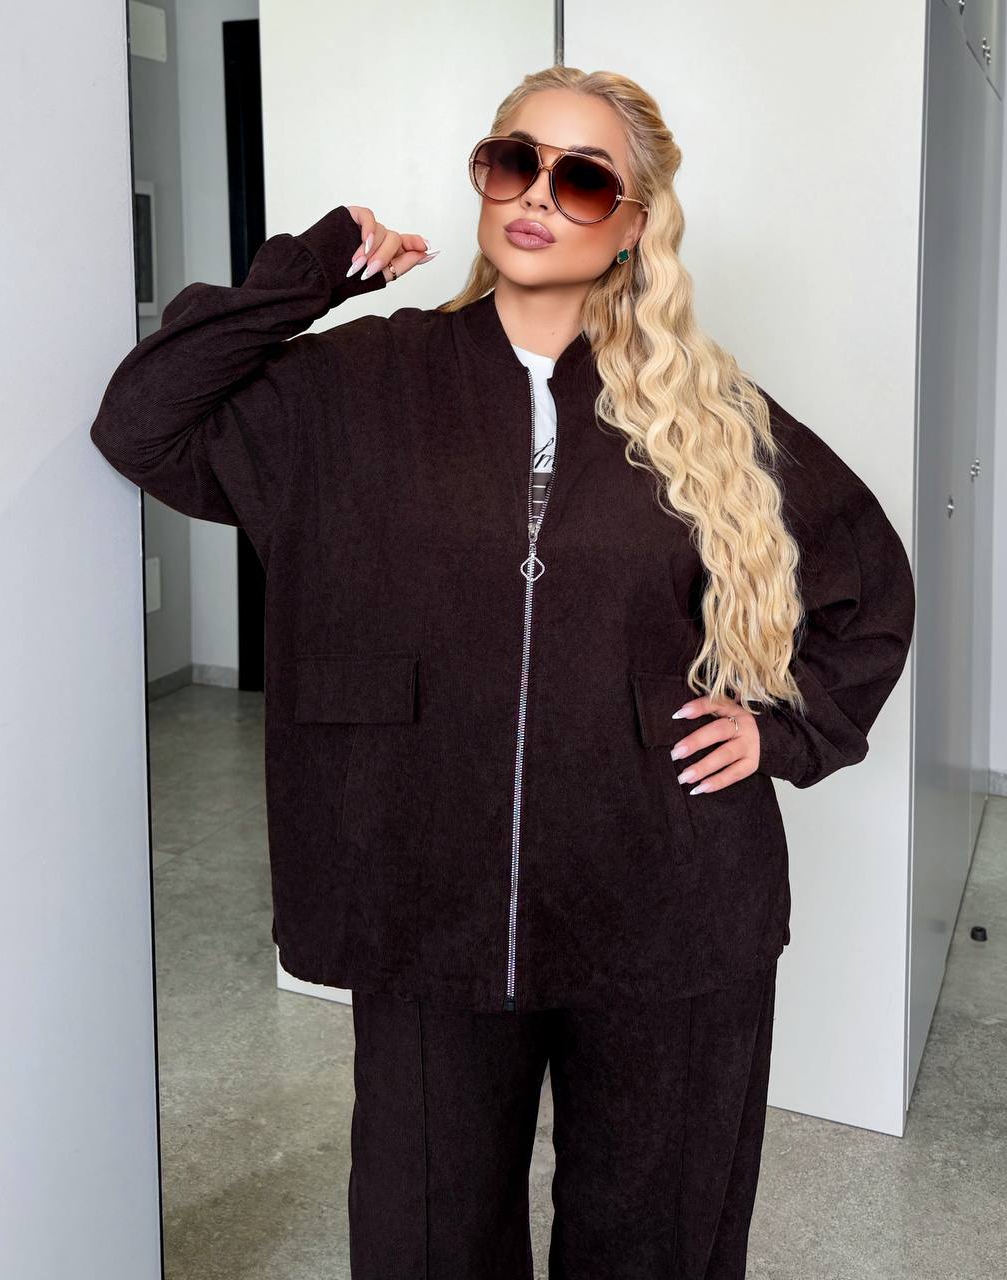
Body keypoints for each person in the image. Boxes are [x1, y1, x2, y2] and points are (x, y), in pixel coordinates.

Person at [89, 65, 916, 1280]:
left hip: (666, 895)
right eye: (514, 160)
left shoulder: (707, 411)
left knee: (656, 1238)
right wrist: (309, 272)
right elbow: (142, 420)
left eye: (581, 179)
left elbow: (865, 589)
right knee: (428, 1231)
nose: (536, 194)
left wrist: (780, 730)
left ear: (631, 226)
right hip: (426, 889)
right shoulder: (358, 381)